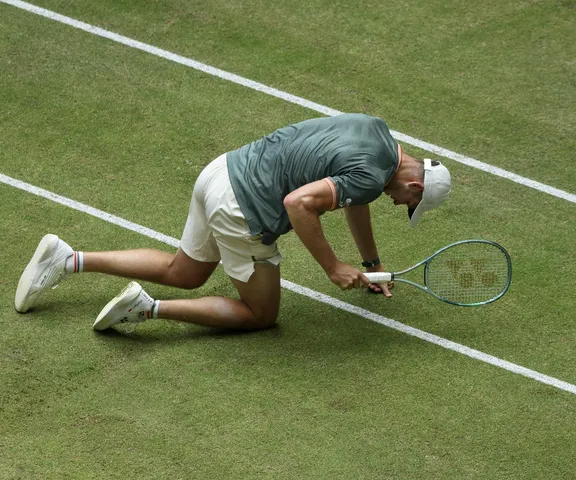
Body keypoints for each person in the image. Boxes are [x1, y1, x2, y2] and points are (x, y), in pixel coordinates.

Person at [14, 113, 451, 331]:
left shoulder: (376, 131)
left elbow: (357, 200)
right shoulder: (374, 177)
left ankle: (68, 259)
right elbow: (299, 204)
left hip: (222, 171)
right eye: (407, 204)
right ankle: (145, 308)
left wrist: (371, 263)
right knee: (261, 314)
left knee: (183, 272)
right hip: (244, 207)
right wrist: (333, 268)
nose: (399, 205)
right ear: (415, 188)